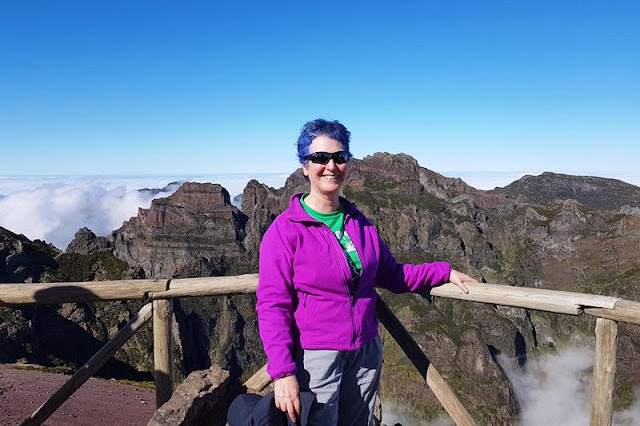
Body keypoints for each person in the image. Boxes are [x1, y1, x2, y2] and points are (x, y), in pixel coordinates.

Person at [257, 119, 477, 425]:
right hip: (317, 357)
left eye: (340, 157)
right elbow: (272, 305)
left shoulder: (360, 223)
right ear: (305, 166)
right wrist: (282, 372)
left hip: (365, 351)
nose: (331, 166)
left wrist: (444, 272)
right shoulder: (285, 231)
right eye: (320, 158)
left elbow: (392, 275)